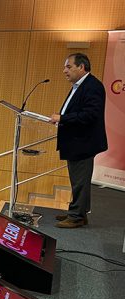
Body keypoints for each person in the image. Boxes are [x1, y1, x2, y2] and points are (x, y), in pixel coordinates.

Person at [49, 53, 108, 228]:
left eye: (68, 67)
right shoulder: (80, 85)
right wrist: (62, 118)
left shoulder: (92, 86)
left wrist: (62, 118)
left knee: (80, 181)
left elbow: (90, 115)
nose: (64, 71)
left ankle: (76, 217)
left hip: (84, 142)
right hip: (76, 142)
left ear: (81, 67)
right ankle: (78, 212)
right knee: (78, 181)